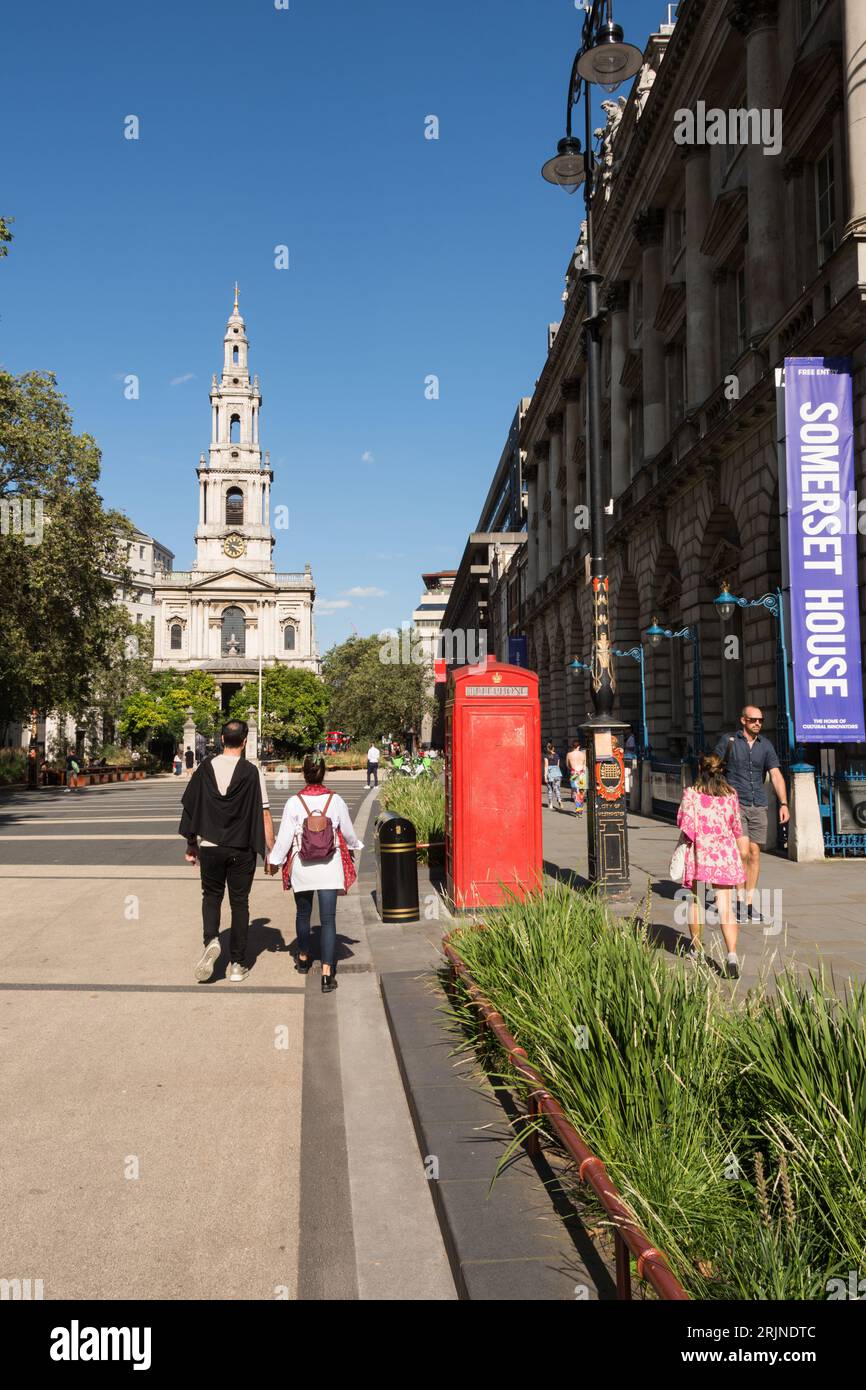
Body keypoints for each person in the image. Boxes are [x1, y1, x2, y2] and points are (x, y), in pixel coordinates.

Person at [180, 719, 274, 984]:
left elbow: (191, 807)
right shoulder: (252, 771)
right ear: (245, 741)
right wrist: (271, 852)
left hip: (210, 846)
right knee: (239, 903)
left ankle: (211, 939)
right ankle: (237, 963)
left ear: (222, 739)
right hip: (241, 847)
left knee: (211, 896)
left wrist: (191, 843)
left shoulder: (205, 768)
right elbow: (264, 813)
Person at [266, 754, 363, 993]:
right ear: (323, 773)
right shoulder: (336, 800)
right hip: (330, 865)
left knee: (303, 913)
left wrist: (274, 860)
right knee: (328, 920)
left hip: (302, 865)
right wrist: (355, 846)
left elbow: (286, 838)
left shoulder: (294, 802)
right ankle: (327, 973)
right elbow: (349, 834)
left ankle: (302, 957)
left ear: (304, 774)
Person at [713, 705, 789, 923]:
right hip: (735, 805)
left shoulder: (766, 746)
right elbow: (712, 768)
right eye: (754, 720)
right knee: (742, 852)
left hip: (759, 805)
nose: (758, 723)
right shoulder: (728, 742)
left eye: (761, 720)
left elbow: (775, 774)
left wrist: (784, 803)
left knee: (755, 854)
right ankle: (736, 900)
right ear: (743, 720)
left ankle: (747, 903)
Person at [675, 753, 747, 979]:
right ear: (721, 770)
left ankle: (697, 949)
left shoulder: (691, 794)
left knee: (695, 900)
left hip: (700, 853)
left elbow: (684, 823)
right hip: (725, 854)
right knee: (725, 906)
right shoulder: (731, 795)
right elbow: (736, 827)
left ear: (700, 768)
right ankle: (732, 955)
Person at [566, 738, 587, 816]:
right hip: (582, 773)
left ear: (572, 746)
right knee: (582, 791)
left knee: (575, 791)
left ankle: (578, 808)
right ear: (579, 746)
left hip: (574, 773)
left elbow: (567, 765)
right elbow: (584, 765)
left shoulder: (569, 754)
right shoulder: (583, 754)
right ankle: (581, 807)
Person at [544, 742, 563, 810]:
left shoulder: (546, 756)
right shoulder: (557, 756)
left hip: (550, 774)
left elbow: (546, 766)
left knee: (550, 789)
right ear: (553, 748)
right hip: (557, 773)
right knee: (557, 788)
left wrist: (545, 776)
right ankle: (559, 800)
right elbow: (558, 766)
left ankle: (551, 804)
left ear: (547, 748)